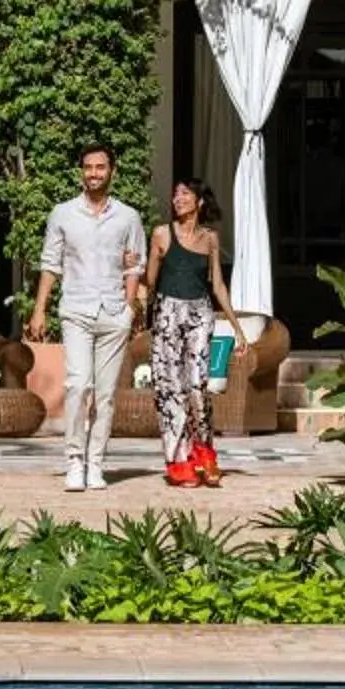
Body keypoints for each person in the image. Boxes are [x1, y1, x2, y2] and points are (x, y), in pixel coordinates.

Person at [25, 143, 145, 493]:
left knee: (106, 394)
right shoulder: (62, 213)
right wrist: (39, 310)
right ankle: (74, 461)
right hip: (76, 310)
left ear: (112, 171)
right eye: (88, 168)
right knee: (79, 385)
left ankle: (96, 463)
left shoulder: (128, 216)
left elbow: (134, 265)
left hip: (113, 313)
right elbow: (50, 264)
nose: (94, 174)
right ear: (82, 172)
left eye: (100, 167)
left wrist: (128, 308)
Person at [141, 177, 238, 486]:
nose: (177, 199)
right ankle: (178, 459)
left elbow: (218, 285)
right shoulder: (160, 234)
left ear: (199, 202)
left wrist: (237, 327)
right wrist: (137, 312)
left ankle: (204, 449)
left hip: (200, 313)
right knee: (170, 389)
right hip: (168, 312)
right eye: (175, 194)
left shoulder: (210, 238)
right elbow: (150, 283)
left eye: (185, 194)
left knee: (197, 386)